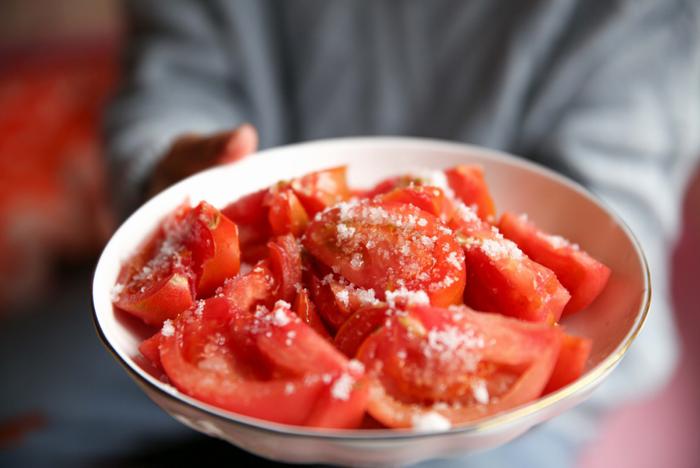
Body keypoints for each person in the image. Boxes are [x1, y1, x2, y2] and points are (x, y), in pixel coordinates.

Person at [105, 1, 700, 466]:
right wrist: (167, 173)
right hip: (209, 343)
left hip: (520, 418)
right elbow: (171, 76)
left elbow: (613, 202)